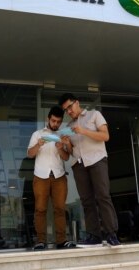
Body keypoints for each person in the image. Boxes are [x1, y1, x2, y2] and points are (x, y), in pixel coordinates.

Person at [58, 93, 121, 247]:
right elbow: (72, 151)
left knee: (103, 196)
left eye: (70, 107)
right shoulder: (68, 128)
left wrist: (83, 131)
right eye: (66, 110)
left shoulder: (94, 115)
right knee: (86, 201)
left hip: (97, 160)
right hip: (79, 164)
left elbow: (105, 136)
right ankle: (94, 235)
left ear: (77, 102)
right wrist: (67, 144)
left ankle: (111, 233)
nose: (69, 111)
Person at [27, 106, 76, 250]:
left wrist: (61, 147)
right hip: (40, 176)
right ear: (48, 118)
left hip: (59, 176)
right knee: (40, 209)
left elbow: (66, 158)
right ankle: (40, 241)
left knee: (60, 208)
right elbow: (30, 154)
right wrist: (39, 144)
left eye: (58, 122)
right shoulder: (37, 134)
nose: (55, 124)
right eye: (53, 120)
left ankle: (62, 240)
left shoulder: (62, 135)